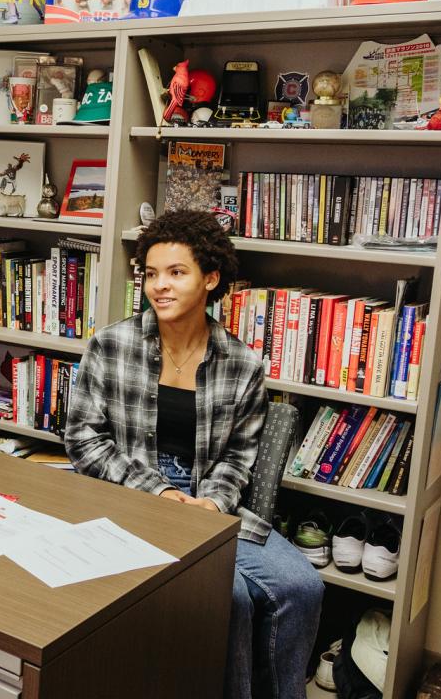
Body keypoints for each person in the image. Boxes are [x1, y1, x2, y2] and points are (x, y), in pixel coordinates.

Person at [64, 209, 323, 699]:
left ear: (211, 278)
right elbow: (82, 438)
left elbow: (239, 456)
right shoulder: (110, 345)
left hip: (207, 499)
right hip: (131, 493)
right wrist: (157, 490)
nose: (160, 286)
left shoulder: (242, 363)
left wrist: (213, 506)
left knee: (303, 587)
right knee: (231, 598)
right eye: (152, 274)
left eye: (176, 273)